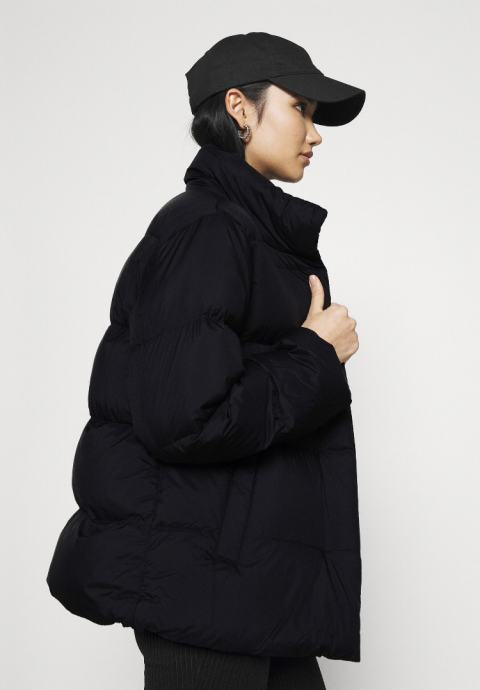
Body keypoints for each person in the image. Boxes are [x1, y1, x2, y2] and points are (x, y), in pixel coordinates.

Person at [46, 32, 366, 689]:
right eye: (300, 108)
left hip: (251, 589)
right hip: (203, 594)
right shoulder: (208, 230)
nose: (315, 133)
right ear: (239, 107)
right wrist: (314, 355)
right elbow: (187, 420)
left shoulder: (252, 232)